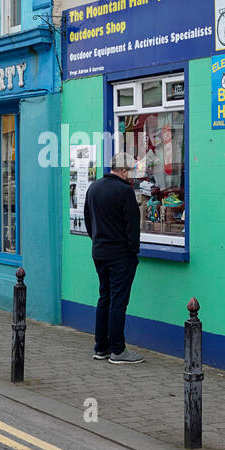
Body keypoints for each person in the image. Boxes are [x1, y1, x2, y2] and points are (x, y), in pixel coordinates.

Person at [83, 152, 143, 364]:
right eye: (130, 172)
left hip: (99, 251)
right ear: (124, 171)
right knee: (118, 301)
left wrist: (98, 240)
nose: (131, 176)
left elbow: (87, 220)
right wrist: (133, 251)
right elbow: (132, 227)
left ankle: (101, 348)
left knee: (104, 297)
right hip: (120, 255)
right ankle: (118, 350)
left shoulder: (94, 187)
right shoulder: (125, 191)